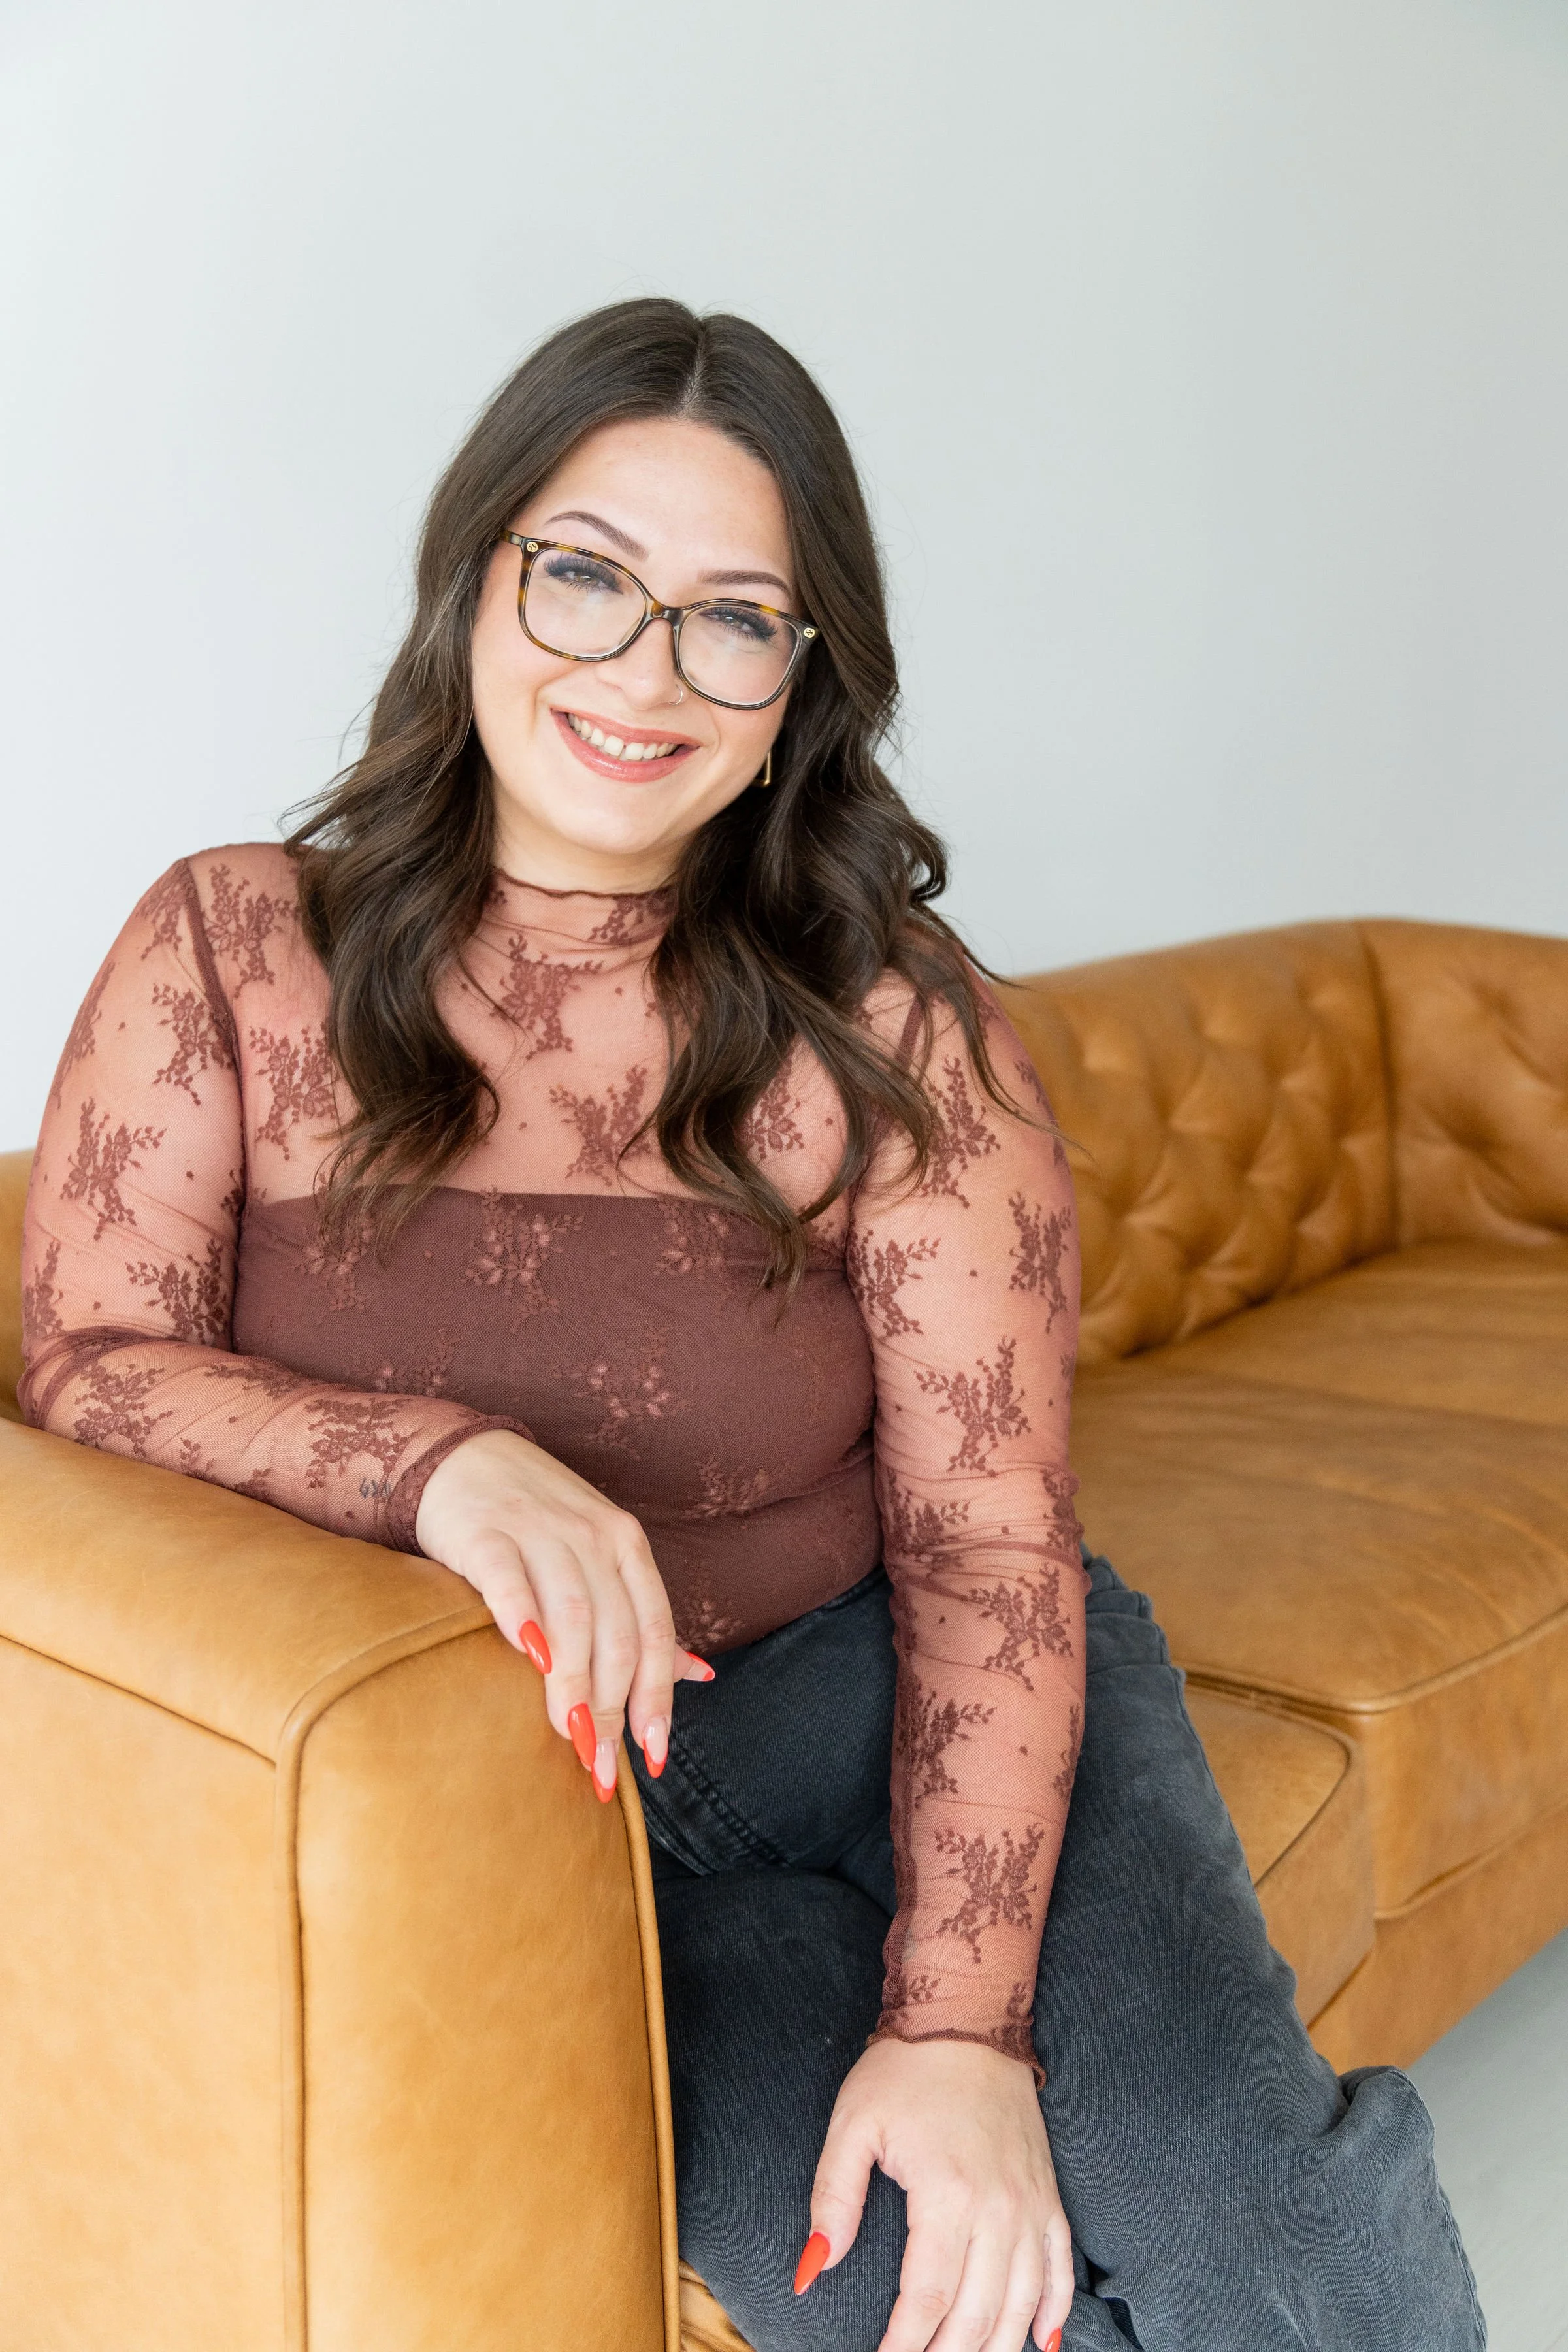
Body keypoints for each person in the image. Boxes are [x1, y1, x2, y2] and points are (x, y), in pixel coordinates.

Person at [20, 299, 1483, 2352]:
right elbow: (84, 1365)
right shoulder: (232, 950)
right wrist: (441, 1461)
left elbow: (986, 1542)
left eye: (734, 617)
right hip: (537, 1822)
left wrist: (963, 2030)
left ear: (800, 686)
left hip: (884, 1689)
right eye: (590, 577)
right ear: (477, 581)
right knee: (923, 2300)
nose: (645, 670)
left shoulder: (894, 1020)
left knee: (1261, 2233)